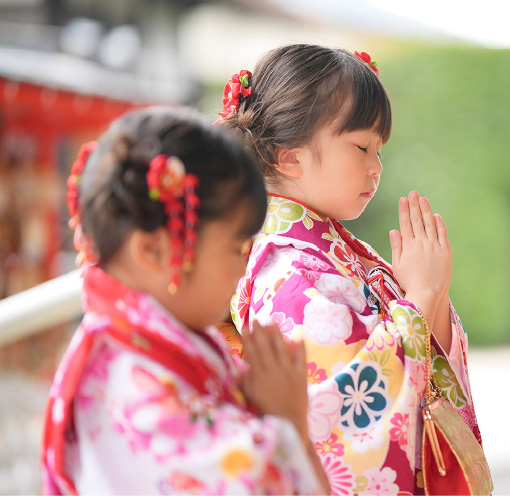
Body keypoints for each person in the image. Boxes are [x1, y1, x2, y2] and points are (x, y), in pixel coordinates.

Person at [218, 44, 483, 495]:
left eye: (379, 150)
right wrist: (418, 297)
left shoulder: (323, 250)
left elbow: (419, 359)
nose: (376, 167)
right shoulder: (286, 270)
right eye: (362, 145)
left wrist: (430, 295)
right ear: (289, 155)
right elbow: (348, 411)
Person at [41, 106, 329, 495]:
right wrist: (288, 422)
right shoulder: (131, 386)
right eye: (235, 249)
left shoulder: (136, 346)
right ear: (154, 251)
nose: (243, 268)